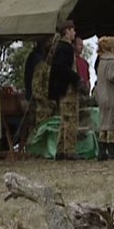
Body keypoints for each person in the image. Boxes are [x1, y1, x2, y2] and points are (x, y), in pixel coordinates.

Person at [48, 20, 82, 160]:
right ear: (67, 31)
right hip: (67, 89)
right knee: (70, 119)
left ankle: (60, 149)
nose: (74, 33)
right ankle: (69, 150)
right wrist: (77, 79)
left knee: (64, 120)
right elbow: (64, 69)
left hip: (62, 89)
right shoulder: (65, 48)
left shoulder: (58, 47)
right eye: (72, 30)